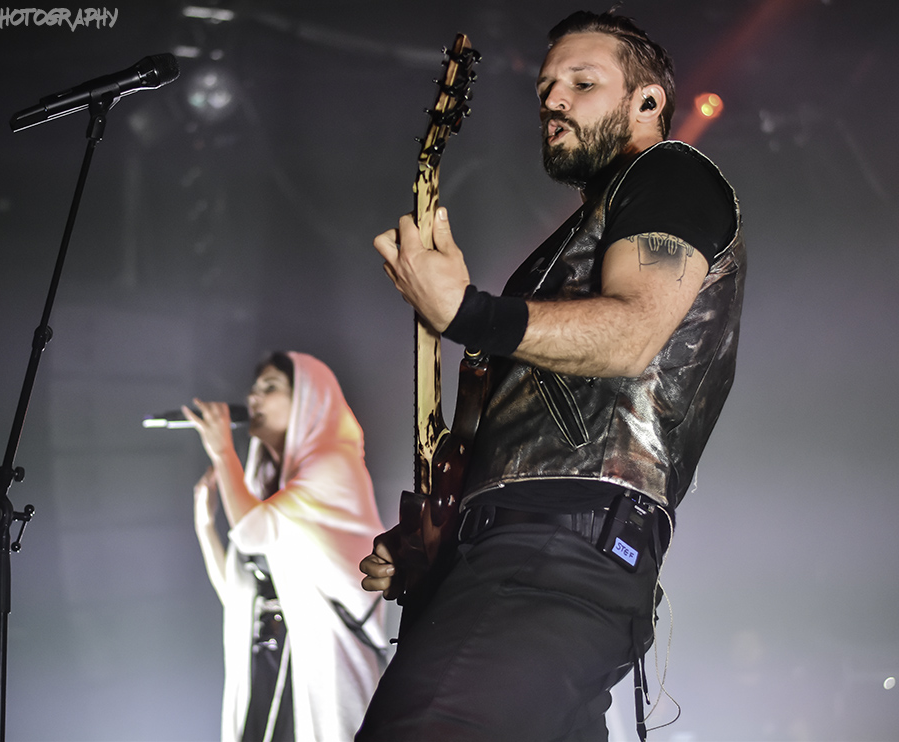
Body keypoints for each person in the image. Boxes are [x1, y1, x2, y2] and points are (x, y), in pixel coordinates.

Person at [358, 10, 745, 742]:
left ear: (648, 101)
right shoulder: (567, 242)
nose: (553, 99)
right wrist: (435, 534)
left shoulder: (669, 174)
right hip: (527, 556)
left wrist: (468, 313)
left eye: (583, 82)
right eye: (546, 87)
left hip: (552, 556)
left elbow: (631, 334)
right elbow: (519, 430)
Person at [185, 351, 387, 742]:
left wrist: (224, 452)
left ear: (309, 401)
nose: (253, 399)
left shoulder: (334, 467)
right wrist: (205, 524)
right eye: (253, 389)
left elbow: (252, 531)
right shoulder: (266, 489)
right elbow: (238, 597)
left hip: (320, 670)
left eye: (270, 387)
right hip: (269, 664)